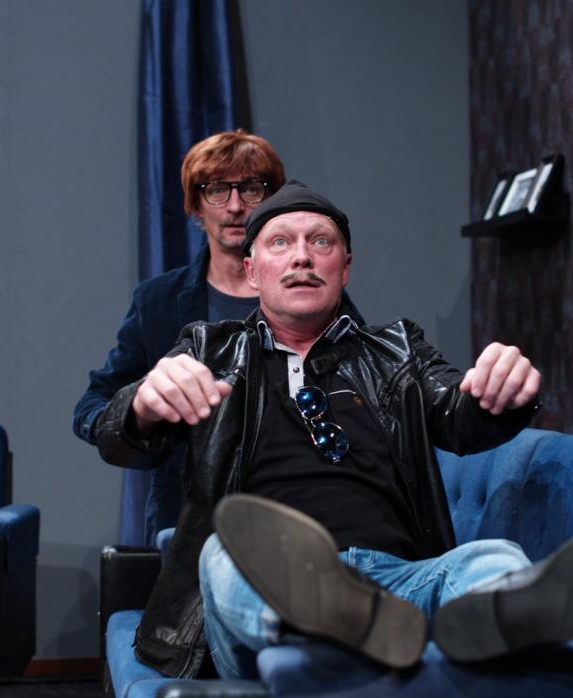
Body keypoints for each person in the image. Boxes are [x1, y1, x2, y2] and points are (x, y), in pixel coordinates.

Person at [93, 181, 573, 679]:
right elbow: (119, 436)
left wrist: (502, 391)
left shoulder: (397, 350)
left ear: (344, 266)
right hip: (269, 580)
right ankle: (333, 624)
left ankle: (516, 617)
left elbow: (461, 416)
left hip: (400, 583)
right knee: (225, 554)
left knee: (491, 558)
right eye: (281, 243)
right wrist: (144, 403)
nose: (302, 257)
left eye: (321, 242)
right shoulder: (208, 349)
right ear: (253, 271)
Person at [73, 130, 362, 543]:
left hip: (302, 515)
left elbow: (363, 392)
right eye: (216, 191)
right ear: (195, 205)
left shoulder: (310, 291)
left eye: (251, 188)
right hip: (192, 519)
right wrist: (140, 409)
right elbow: (93, 408)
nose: (235, 206)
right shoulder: (158, 300)